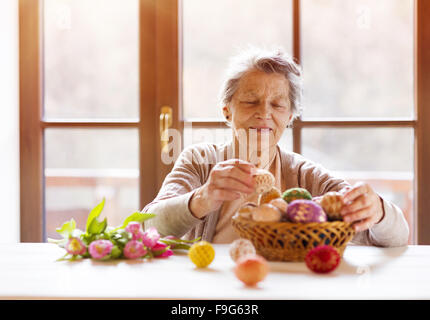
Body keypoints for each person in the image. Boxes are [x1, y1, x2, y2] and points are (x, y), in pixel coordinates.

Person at [142, 47, 409, 247]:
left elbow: (396, 238)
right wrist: (202, 197)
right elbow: (147, 226)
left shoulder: (306, 175)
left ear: (290, 117)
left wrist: (379, 210)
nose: (264, 113)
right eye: (250, 101)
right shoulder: (199, 160)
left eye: (278, 105)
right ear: (227, 111)